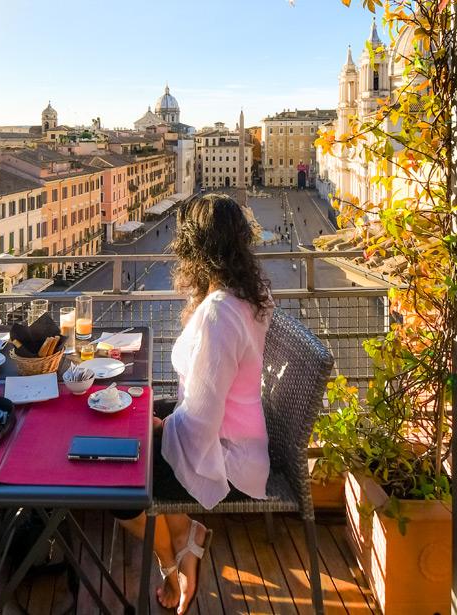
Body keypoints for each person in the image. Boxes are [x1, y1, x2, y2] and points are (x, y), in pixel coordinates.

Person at [112, 194, 273, 613]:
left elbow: (200, 422)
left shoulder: (219, 312)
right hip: (241, 438)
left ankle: (173, 558)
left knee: (116, 485)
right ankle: (185, 534)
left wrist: (163, 429)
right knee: (133, 411)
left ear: (195, 249)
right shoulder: (248, 295)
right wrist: (158, 422)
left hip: (227, 459)